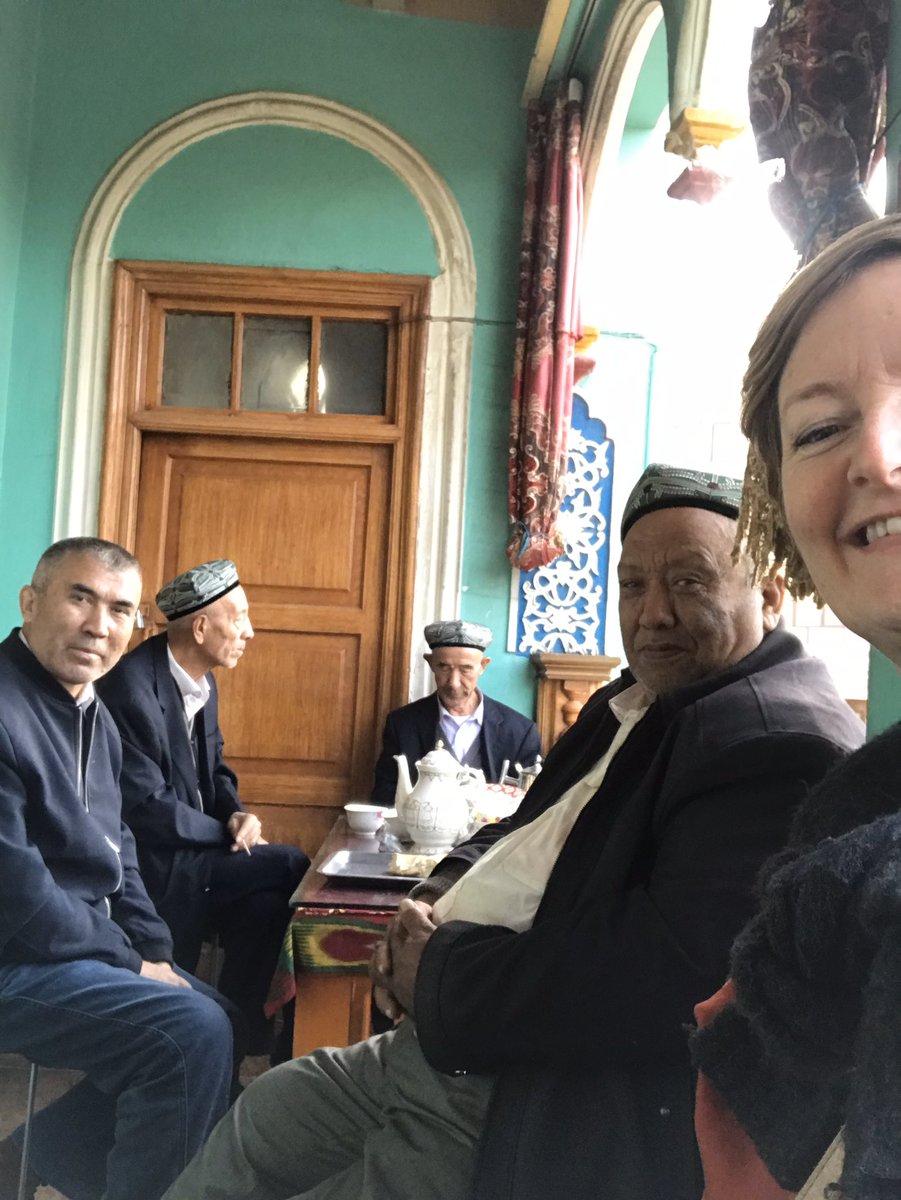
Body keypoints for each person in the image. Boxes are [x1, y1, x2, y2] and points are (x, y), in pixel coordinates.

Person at [162, 464, 864, 1200]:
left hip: (530, 1093)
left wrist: (438, 973)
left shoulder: (770, 743)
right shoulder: (636, 700)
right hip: (443, 1043)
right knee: (266, 1112)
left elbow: (655, 972)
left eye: (688, 583)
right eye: (632, 586)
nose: (651, 613)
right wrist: (429, 900)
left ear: (771, 594)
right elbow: (514, 826)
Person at [691, 213, 901, 1200]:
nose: (877, 455)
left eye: (688, 580)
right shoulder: (847, 823)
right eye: (819, 430)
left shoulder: (770, 741)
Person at [0, 537, 234, 1200]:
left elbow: (117, 848)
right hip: (12, 956)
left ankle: (34, 1155)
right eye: (80, 597)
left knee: (222, 1016)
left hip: (65, 949)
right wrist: (131, 963)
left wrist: (152, 944)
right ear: (31, 601)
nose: (98, 625)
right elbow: (19, 896)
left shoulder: (92, 710)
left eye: (119, 609)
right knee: (188, 1033)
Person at [98, 558, 308, 1057]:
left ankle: (232, 1044)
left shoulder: (201, 680)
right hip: (156, 864)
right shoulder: (132, 687)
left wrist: (236, 813)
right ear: (199, 626)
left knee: (264, 908)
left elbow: (216, 770)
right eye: (239, 619)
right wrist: (226, 835)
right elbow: (147, 809)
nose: (249, 632)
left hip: (199, 852)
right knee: (293, 865)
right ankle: (243, 1032)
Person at [369, 619, 541, 808]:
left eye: (466, 669)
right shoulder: (402, 724)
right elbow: (384, 796)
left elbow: (530, 805)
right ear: (431, 663)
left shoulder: (520, 732)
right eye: (444, 667)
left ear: (483, 666)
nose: (454, 682)